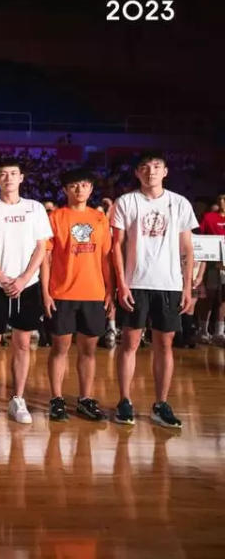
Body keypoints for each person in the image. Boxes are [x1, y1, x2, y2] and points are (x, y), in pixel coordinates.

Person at [111, 151, 197, 428]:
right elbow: (116, 246)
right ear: (137, 173)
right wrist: (121, 284)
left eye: (156, 167)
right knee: (129, 344)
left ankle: (161, 403)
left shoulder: (179, 203)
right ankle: (124, 401)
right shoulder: (127, 201)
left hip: (169, 285)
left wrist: (187, 287)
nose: (151, 172)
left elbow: (187, 248)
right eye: (145, 168)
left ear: (165, 171)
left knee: (165, 344)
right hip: (135, 284)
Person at [0, 158, 52, 424]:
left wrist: (22, 279)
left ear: (21, 178)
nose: (8, 178)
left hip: (26, 286)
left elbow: (41, 248)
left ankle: (17, 399)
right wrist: (4, 278)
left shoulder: (35, 208)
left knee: (22, 343)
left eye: (13, 174)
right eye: (3, 174)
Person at [40, 168, 112, 421]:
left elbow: (106, 258)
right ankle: (57, 399)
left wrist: (110, 290)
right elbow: (45, 259)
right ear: (65, 190)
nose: (79, 189)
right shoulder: (54, 218)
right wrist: (46, 293)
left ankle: (84, 398)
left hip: (93, 293)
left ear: (91, 189)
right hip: (62, 293)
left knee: (89, 351)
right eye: (74, 185)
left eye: (84, 185)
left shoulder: (100, 219)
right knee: (60, 348)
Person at [198, 193, 225, 343]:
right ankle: (203, 330)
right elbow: (200, 237)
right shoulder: (209, 217)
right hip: (212, 263)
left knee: (223, 298)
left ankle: (219, 332)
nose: (222, 203)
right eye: (220, 200)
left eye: (224, 200)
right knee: (209, 295)